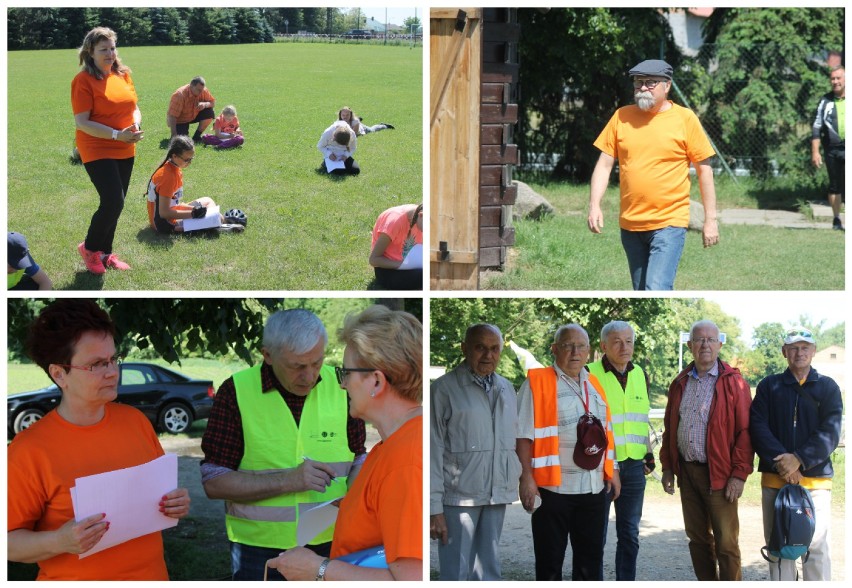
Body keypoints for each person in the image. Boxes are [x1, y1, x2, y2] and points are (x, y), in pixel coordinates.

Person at [7, 299, 190, 580]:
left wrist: (174, 502)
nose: (113, 372)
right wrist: (59, 541)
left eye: (114, 359)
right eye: (96, 364)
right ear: (59, 374)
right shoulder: (29, 450)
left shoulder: (136, 422)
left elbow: (158, 499)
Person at [199, 309, 367, 581]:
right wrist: (289, 481)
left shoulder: (341, 385)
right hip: (258, 549)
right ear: (267, 355)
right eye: (297, 366)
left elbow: (359, 457)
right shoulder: (236, 391)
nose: (309, 376)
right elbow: (213, 482)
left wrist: (355, 500)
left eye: (317, 362)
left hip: (332, 541)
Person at [266, 305, 423, 580]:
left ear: (376, 381)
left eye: (346, 374)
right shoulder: (393, 445)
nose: (341, 385)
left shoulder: (405, 460)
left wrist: (319, 569)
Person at [588, 59, 718, 291]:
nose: (643, 88)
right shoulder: (621, 116)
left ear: (666, 86)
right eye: (638, 82)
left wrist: (710, 221)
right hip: (630, 225)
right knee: (640, 291)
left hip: (669, 223)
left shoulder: (685, 119)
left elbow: (704, 171)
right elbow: (604, 165)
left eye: (650, 82)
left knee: (656, 288)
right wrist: (594, 205)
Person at [516, 324, 620, 581]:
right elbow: (522, 437)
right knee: (550, 562)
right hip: (554, 492)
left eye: (581, 346)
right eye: (567, 345)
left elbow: (606, 431)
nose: (575, 351)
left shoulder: (594, 384)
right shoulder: (536, 383)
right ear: (554, 349)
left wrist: (613, 470)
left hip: (593, 490)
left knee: (590, 562)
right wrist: (526, 478)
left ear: (588, 351)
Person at [660, 319, 753, 581]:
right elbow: (670, 428)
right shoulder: (680, 382)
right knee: (698, 540)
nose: (705, 344)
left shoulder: (733, 383)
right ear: (689, 345)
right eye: (699, 339)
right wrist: (668, 468)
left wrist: (739, 474)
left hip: (721, 475)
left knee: (726, 543)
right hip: (688, 474)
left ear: (720, 344)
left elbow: (745, 432)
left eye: (711, 339)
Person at [750, 326, 843, 581]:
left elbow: (830, 432)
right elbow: (758, 427)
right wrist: (784, 463)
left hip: (816, 484)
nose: (799, 353)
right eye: (793, 348)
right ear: (784, 352)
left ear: (813, 351)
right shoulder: (769, 386)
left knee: (817, 549)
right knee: (780, 549)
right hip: (775, 481)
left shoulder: (828, 388)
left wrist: (799, 459)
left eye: (804, 348)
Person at [430, 324, 521, 580]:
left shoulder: (506, 388)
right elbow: (432, 451)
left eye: (494, 349)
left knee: (489, 569)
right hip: (458, 499)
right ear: (464, 349)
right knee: (456, 573)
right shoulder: (443, 389)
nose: (488, 355)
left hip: (495, 494)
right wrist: (433, 507)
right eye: (480, 347)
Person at [72, 26, 144, 275]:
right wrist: (116, 134)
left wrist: (136, 123)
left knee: (118, 203)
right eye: (103, 49)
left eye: (112, 48)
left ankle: (106, 253)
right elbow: (82, 122)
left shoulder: (122, 74)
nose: (110, 54)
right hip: (96, 146)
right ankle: (90, 249)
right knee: (113, 200)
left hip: (125, 145)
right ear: (90, 52)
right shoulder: (83, 80)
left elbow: (134, 106)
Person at [586, 321, 653, 581]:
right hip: (600, 466)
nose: (624, 346)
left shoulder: (639, 375)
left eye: (628, 341)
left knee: (629, 534)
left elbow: (640, 420)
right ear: (604, 346)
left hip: (634, 466)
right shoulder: (588, 374)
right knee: (595, 534)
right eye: (616, 341)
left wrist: (648, 454)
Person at [146, 136, 222, 234]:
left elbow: (173, 203)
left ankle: (215, 222)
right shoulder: (168, 176)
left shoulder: (174, 167)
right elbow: (164, 213)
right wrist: (193, 213)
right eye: (187, 160)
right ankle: (218, 224)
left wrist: (194, 211)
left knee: (208, 202)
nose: (189, 163)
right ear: (174, 156)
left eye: (191, 159)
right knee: (217, 217)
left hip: (172, 212)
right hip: (164, 224)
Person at [811, 65, 845, 231]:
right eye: (833, 79)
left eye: (839, 78)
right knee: (835, 186)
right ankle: (837, 219)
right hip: (832, 149)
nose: (835, 81)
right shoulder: (825, 101)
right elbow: (816, 127)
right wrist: (815, 152)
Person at [370, 204, 423, 290]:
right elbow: (374, 260)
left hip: (411, 265)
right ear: (421, 215)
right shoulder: (394, 221)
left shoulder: (421, 220)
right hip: (387, 269)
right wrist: (403, 265)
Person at [167, 76, 215, 141]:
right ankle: (179, 135)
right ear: (191, 86)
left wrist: (205, 104)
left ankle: (196, 137)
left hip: (194, 114)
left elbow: (212, 102)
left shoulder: (203, 90)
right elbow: (172, 116)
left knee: (209, 113)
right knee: (183, 141)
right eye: (199, 90)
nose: (201, 92)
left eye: (202, 90)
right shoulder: (179, 95)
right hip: (180, 120)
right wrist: (174, 134)